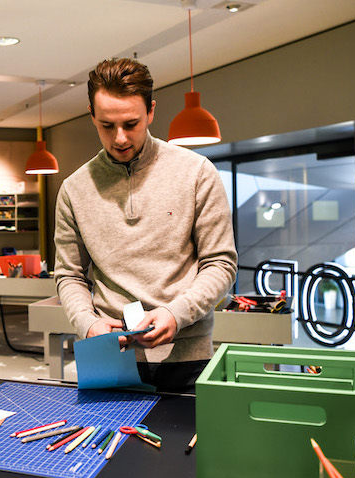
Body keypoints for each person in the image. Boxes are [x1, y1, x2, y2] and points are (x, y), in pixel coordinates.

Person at [53, 58, 237, 393]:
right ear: (92, 115)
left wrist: (176, 314)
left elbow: (221, 264)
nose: (120, 138)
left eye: (131, 123)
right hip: (110, 354)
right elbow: (69, 275)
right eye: (107, 126)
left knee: (187, 446)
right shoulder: (74, 189)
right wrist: (88, 323)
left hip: (187, 356)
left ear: (151, 112)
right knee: (105, 446)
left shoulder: (196, 172)